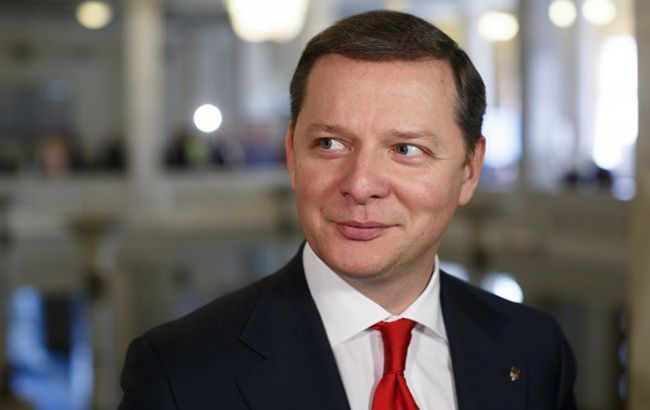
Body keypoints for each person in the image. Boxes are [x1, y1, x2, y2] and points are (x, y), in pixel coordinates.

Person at [119, 10, 576, 410]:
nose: (359, 185)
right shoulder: (179, 372)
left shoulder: (534, 348)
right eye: (330, 144)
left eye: (405, 149)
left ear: (469, 170)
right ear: (293, 157)